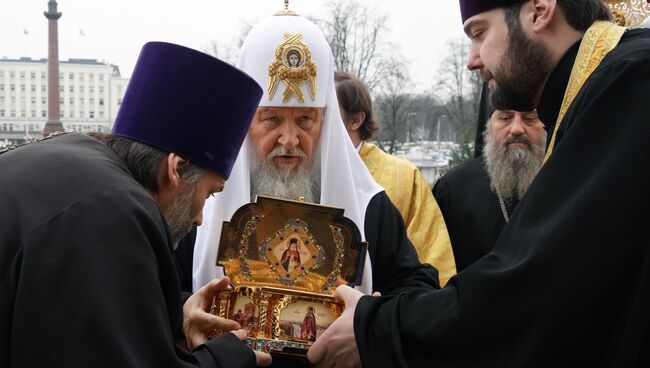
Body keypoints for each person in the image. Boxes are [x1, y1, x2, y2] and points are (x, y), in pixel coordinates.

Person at [308, 0, 650, 366]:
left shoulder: (632, 80)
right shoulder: (611, 82)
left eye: (479, 33)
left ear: (539, 10)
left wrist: (376, 327)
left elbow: (538, 289)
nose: (472, 59)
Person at [0, 42, 272, 367]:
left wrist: (176, 315)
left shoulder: (78, 158)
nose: (200, 218)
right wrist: (230, 356)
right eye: (209, 193)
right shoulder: (115, 211)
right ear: (176, 169)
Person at [190, 7, 438, 301]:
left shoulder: (370, 206)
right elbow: (160, 297)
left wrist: (373, 319)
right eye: (272, 119)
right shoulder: (200, 203)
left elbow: (419, 293)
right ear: (246, 121)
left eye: (306, 120)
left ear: (326, 121)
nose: (290, 139)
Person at [334, 71, 456, 285]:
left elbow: (432, 257)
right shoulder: (300, 171)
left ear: (356, 119)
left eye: (328, 112)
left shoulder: (403, 176)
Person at [433, 108, 546, 271]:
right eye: (505, 118)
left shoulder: (567, 179)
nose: (516, 129)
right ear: (489, 127)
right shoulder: (453, 187)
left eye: (529, 118)